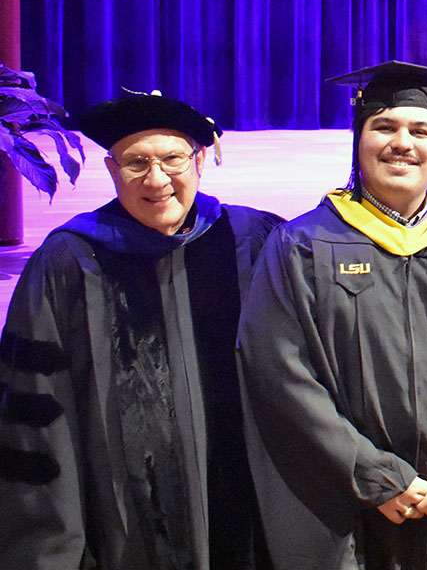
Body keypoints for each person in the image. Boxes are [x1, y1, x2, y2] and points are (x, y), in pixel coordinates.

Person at [237, 61, 427, 570]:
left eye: (420, 130)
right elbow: (279, 372)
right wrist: (372, 474)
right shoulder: (302, 246)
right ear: (358, 139)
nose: (403, 142)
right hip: (346, 507)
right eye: (384, 127)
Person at [0, 92, 282, 569]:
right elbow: (36, 418)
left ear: (199, 161)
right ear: (112, 171)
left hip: (248, 519)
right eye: (136, 163)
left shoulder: (253, 241)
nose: (157, 179)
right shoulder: (68, 261)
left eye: (173, 158)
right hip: (120, 532)